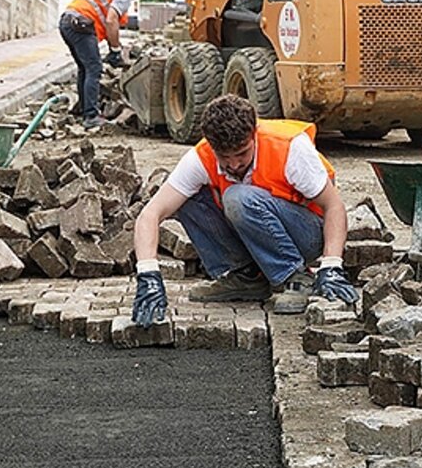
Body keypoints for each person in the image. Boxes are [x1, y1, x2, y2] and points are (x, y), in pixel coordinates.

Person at [130, 95, 358, 327]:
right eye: (224, 157)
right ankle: (246, 277)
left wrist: (331, 266)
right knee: (187, 199)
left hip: (306, 235)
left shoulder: (289, 147)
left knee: (238, 197)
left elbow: (334, 206)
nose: (234, 164)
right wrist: (148, 274)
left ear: (253, 135)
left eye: (241, 153)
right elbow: (150, 214)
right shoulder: (202, 156)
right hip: (256, 235)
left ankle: (296, 277)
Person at [59, 0, 152, 129]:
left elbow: (109, 24)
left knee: (85, 68)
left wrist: (114, 47)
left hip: (68, 22)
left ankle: (83, 110)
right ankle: (91, 116)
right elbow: (111, 20)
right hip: (80, 24)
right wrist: (116, 50)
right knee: (94, 68)